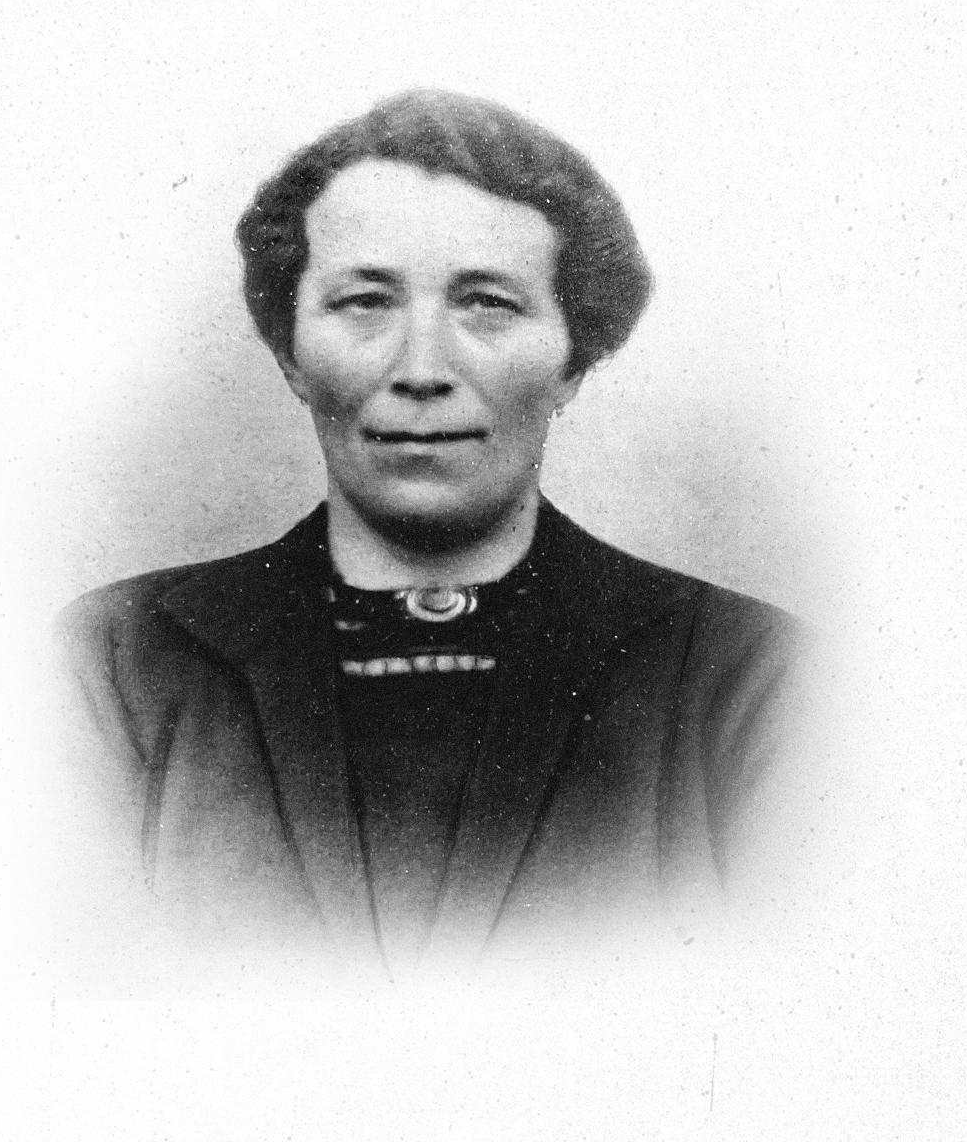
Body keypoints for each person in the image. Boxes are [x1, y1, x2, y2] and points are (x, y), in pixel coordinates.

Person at [58, 90, 811, 975]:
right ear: (290, 352)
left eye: (487, 303)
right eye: (364, 302)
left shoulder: (750, 680)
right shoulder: (118, 665)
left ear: (573, 358)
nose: (421, 370)